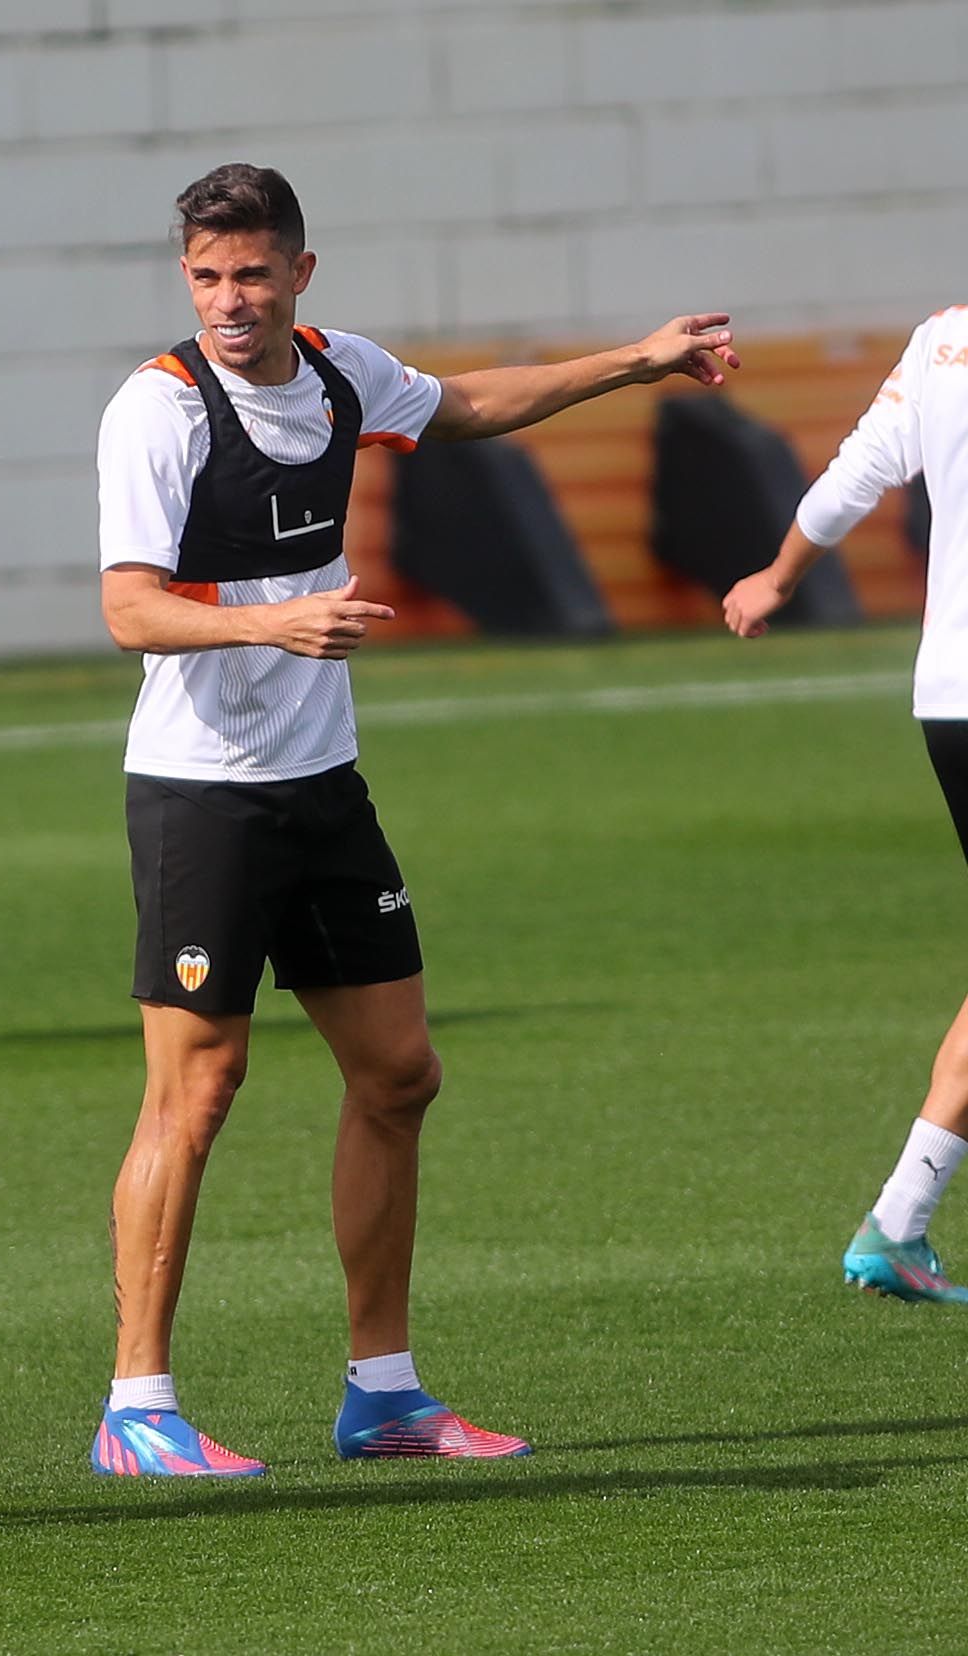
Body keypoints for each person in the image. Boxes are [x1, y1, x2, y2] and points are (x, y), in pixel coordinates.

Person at [90, 162, 742, 1475]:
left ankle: (381, 1393)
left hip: (323, 791)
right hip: (202, 800)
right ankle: (137, 1407)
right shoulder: (155, 413)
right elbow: (128, 610)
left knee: (399, 1075)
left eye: (253, 273)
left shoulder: (340, 375)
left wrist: (640, 360)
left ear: (300, 276)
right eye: (208, 276)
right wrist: (278, 618)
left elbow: (475, 405)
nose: (229, 299)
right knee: (198, 1089)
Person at [723, 305, 968, 1304]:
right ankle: (896, 1221)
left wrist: (774, 579)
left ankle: (899, 1223)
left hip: (949, 694)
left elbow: (852, 476)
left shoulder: (943, 337)